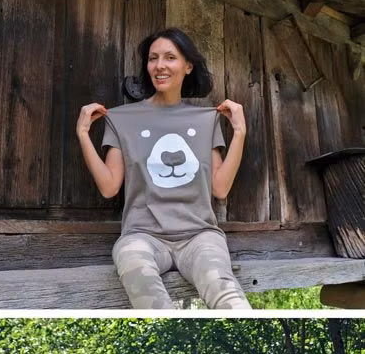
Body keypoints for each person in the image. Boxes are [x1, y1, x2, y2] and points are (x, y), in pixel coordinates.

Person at [76, 28, 250, 310]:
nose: (160, 65)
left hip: (199, 235)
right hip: (142, 236)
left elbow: (220, 187)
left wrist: (239, 132)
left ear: (188, 66)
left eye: (170, 57)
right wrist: (84, 135)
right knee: (144, 289)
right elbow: (109, 188)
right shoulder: (122, 119)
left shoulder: (207, 120)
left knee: (227, 294)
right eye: (153, 58)